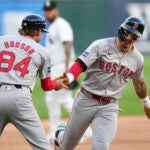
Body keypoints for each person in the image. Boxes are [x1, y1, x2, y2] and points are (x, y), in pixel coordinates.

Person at [54, 16, 150, 150]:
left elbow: (139, 83)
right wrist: (69, 77)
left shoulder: (137, 59)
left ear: (137, 39)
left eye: (134, 37)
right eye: (127, 33)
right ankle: (60, 134)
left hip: (109, 106)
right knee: (66, 146)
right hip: (86, 100)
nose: (129, 39)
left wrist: (147, 103)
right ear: (121, 30)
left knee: (101, 146)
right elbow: (81, 64)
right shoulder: (101, 45)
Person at [0, 14, 68, 150]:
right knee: (43, 147)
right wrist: (57, 85)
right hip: (20, 99)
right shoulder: (43, 52)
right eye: (42, 31)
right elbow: (47, 86)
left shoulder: (1, 41)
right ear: (38, 31)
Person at [43, 0, 92, 143]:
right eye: (46, 10)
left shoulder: (61, 24)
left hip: (61, 66)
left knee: (60, 99)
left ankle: (82, 129)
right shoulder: (52, 26)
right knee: (56, 99)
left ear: (56, 10)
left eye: (50, 9)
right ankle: (55, 131)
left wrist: (67, 70)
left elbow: (68, 43)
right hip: (55, 67)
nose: (48, 12)